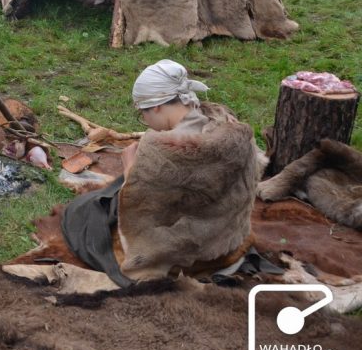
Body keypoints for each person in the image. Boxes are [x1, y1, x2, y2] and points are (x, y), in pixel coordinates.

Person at [61, 59, 259, 286]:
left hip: (187, 255)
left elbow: (141, 207)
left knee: (81, 213)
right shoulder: (227, 127)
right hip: (227, 240)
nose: (144, 120)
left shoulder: (163, 149)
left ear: (156, 106)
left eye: (142, 112)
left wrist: (130, 169)